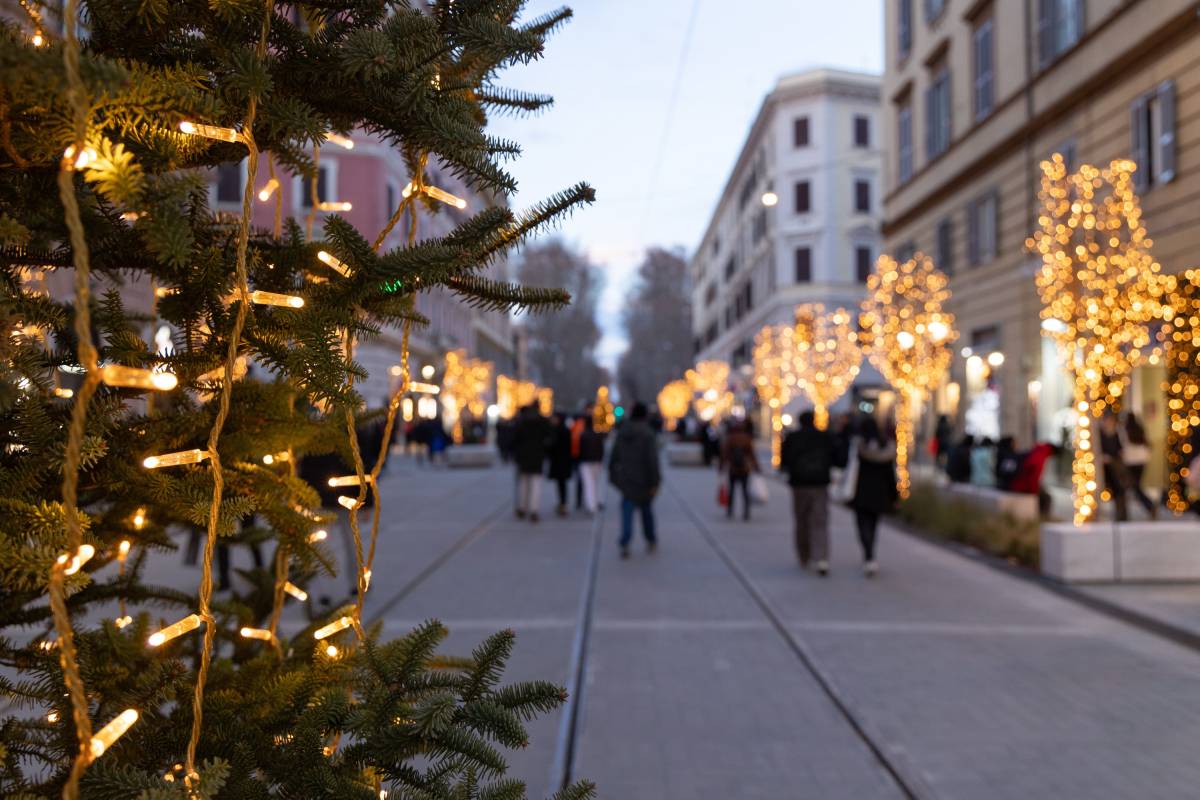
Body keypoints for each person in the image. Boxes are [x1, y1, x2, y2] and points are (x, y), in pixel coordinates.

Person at [779, 410, 841, 575]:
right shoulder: (825, 437)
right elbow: (837, 458)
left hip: (799, 484)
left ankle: (804, 555)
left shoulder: (793, 437)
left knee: (801, 520)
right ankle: (821, 557)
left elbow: (784, 460)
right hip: (820, 483)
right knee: (820, 520)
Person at [608, 402, 661, 559]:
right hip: (644, 481)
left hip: (627, 481)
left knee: (627, 513)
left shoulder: (622, 432)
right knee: (646, 513)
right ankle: (650, 539)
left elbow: (613, 458)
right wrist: (655, 482)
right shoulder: (648, 434)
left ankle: (625, 542)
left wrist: (615, 479)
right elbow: (652, 460)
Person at [850, 415, 898, 577]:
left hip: (861, 492)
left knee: (862, 525)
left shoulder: (859, 447)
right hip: (880, 493)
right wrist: (894, 496)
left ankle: (868, 553)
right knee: (873, 524)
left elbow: (850, 469)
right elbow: (891, 475)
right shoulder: (886, 447)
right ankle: (870, 555)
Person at [513, 404, 550, 522]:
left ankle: (522, 507)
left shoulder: (521, 422)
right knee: (535, 484)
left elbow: (514, 439)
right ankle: (534, 509)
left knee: (523, 483)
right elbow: (549, 438)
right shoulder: (542, 422)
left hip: (523, 457)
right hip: (537, 456)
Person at [720, 420, 759, 521]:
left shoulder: (730, 438)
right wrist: (756, 467)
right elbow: (752, 454)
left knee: (732, 490)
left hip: (733, 468)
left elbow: (725, 454)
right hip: (744, 468)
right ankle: (746, 512)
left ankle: (730, 510)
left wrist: (722, 466)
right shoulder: (747, 438)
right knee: (745, 491)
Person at [1122, 413, 1157, 518]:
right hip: (1142, 461)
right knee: (1136, 486)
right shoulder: (1139, 429)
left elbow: (1123, 445)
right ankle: (1150, 506)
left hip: (1131, 462)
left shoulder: (1124, 430)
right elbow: (1148, 444)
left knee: (1135, 487)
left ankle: (1150, 505)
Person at [1099, 414, 1128, 521]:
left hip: (1114, 467)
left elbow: (1120, 449)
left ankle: (1122, 516)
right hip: (1103, 468)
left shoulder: (1117, 434)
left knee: (1119, 491)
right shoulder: (1100, 435)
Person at [547, 412, 574, 517]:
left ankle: (563, 504)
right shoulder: (563, 430)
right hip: (561, 462)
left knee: (561, 484)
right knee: (561, 484)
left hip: (560, 462)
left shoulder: (559, 431)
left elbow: (552, 446)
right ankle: (562, 503)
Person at [578, 415, 605, 514]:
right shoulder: (597, 435)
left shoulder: (583, 435)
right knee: (595, 483)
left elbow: (580, 450)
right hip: (596, 461)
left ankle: (591, 505)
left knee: (589, 484)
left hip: (586, 462)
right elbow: (601, 449)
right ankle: (596, 502)